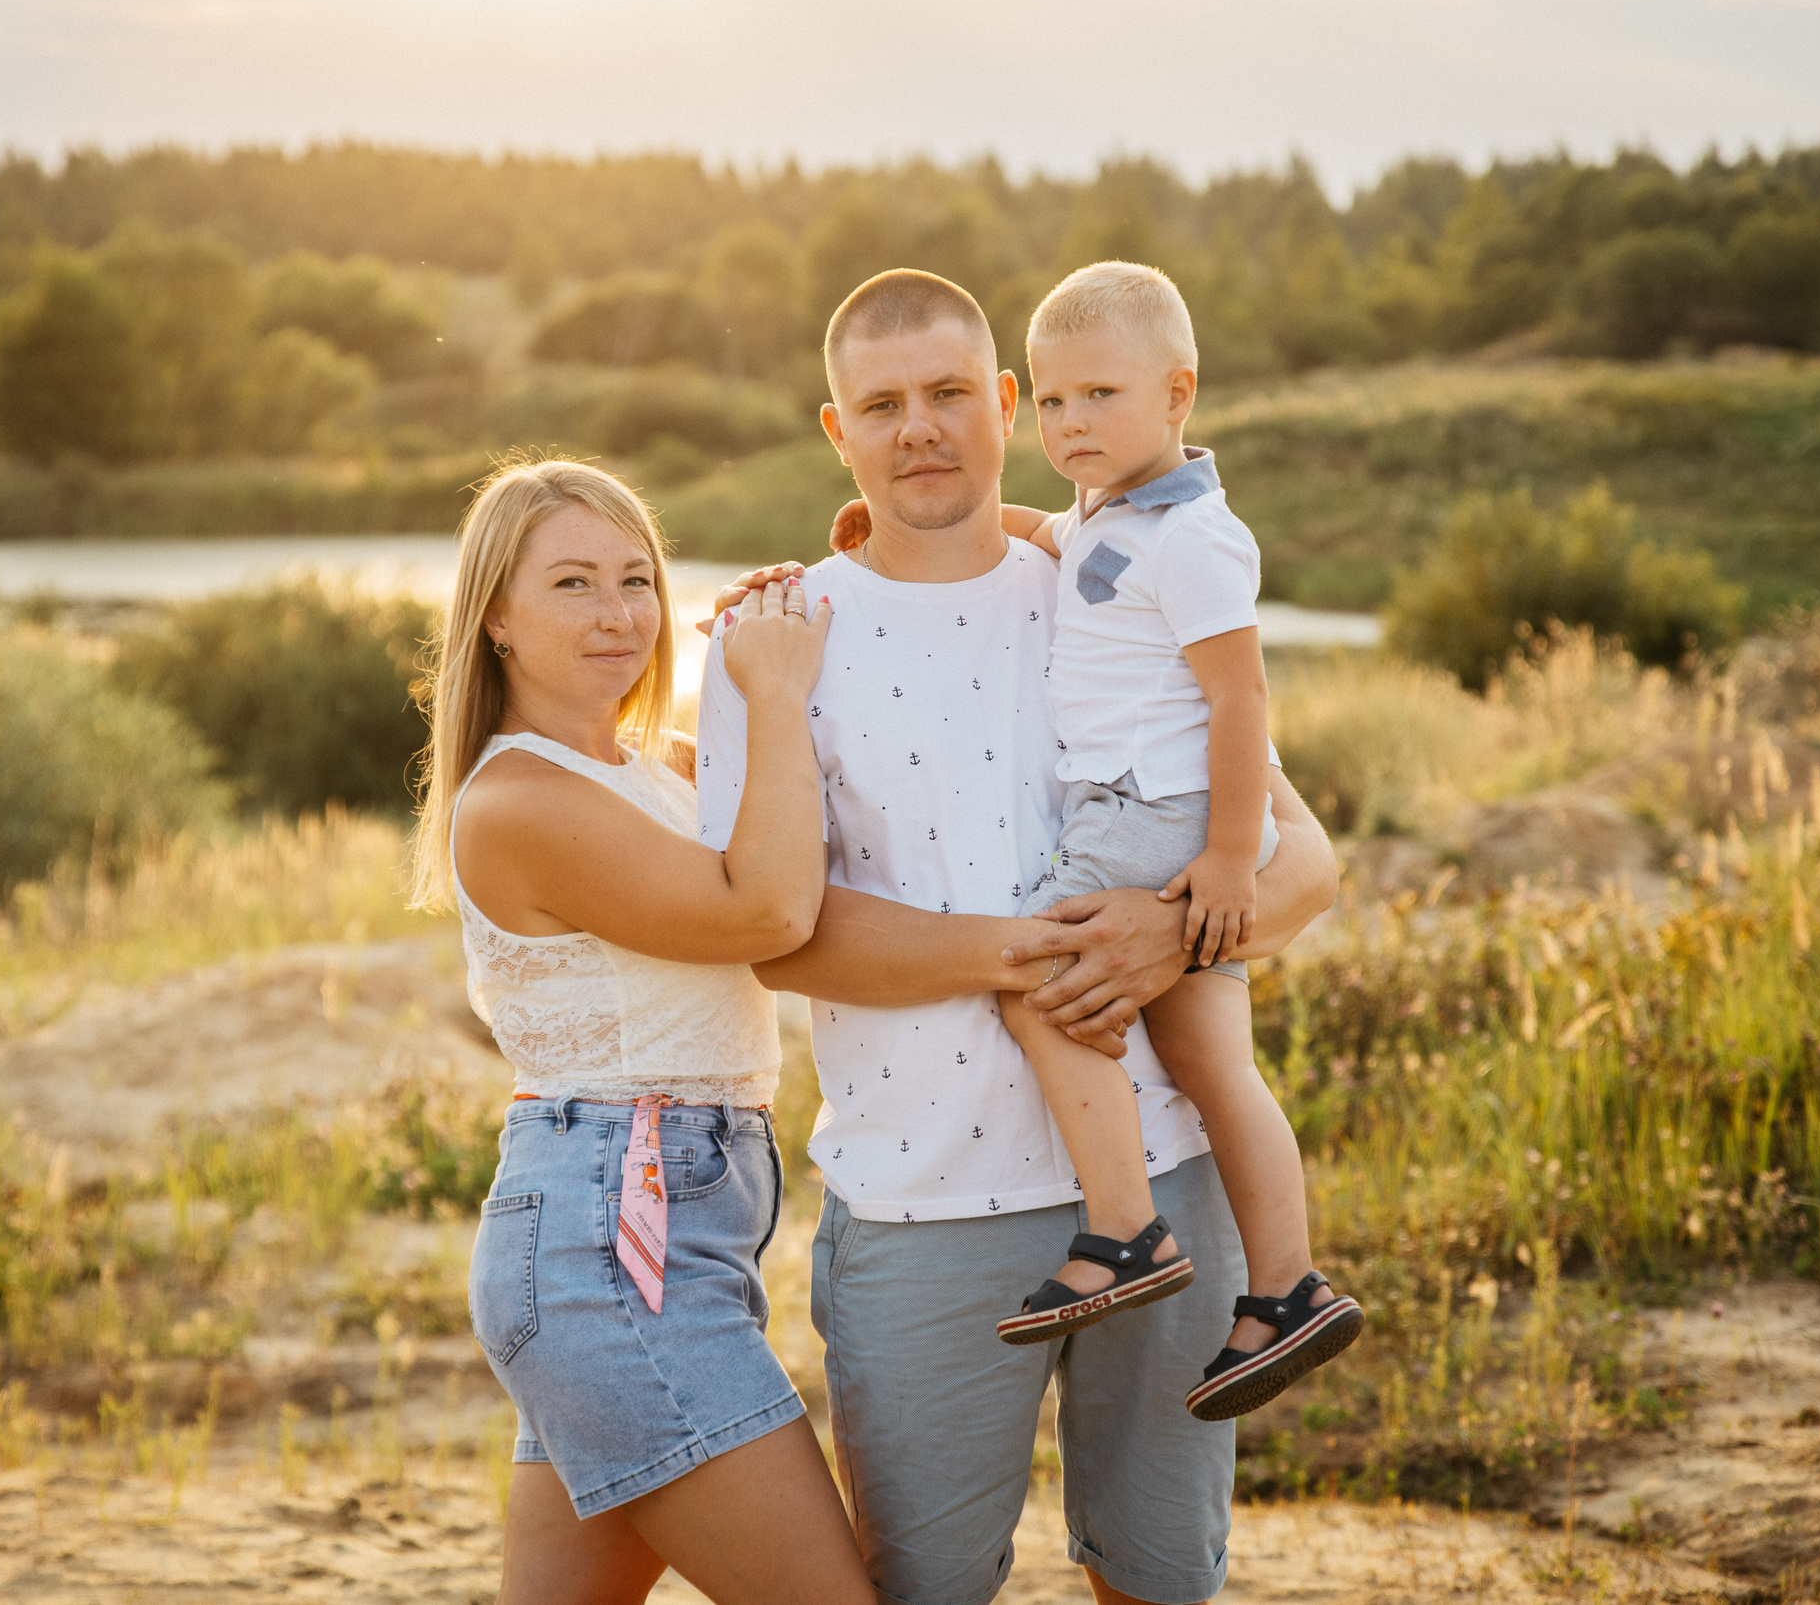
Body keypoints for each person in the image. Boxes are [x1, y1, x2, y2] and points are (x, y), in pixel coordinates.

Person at [694, 272, 1340, 1605]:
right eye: (882, 405)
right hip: (921, 1200)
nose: (919, 427)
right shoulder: (775, 637)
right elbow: (783, 935)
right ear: (838, 431)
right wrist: (1029, 956)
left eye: (948, 394)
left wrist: (1165, 936)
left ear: (1004, 404)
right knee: (923, 1585)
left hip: (1169, 1177)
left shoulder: (1111, 577)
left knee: (1162, 1578)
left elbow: (1305, 865)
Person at [825, 261, 1360, 1421]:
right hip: (1165, 810)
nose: (1073, 424)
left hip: (1144, 810)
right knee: (1217, 1063)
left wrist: (1223, 860)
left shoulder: (1197, 540)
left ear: (1179, 393)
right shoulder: (1112, 514)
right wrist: (900, 526)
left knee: (1043, 988)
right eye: (1058, 402)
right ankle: (1288, 1287)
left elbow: (1240, 702)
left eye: (1099, 398)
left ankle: (1124, 1226)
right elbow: (1065, 552)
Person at [407, 459, 872, 1605]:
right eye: (571, 583)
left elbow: (808, 827)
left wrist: (842, 584)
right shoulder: (519, 799)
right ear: (497, 618)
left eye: (634, 579)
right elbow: (764, 911)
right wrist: (765, 692)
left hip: (675, 1225)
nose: (617, 614)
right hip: (606, 1241)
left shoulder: (658, 767)